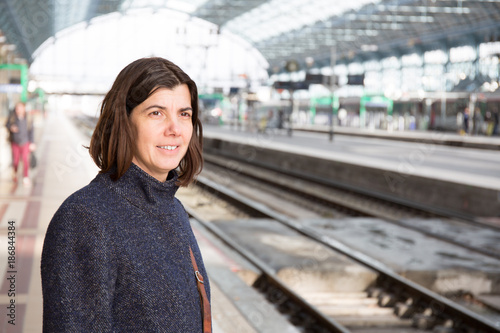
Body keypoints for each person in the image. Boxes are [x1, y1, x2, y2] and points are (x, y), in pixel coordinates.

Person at [41, 57, 211, 332]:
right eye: (156, 113)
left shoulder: (173, 210)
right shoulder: (84, 219)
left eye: (184, 114)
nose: (175, 129)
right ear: (124, 122)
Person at [5, 101, 35, 186]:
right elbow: (6, 125)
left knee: (25, 160)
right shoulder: (12, 117)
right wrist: (11, 127)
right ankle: (15, 174)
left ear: (24, 108)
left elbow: (31, 131)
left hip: (25, 142)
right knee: (16, 161)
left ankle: (26, 177)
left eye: (20, 108)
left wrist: (32, 143)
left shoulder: (28, 118)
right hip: (15, 142)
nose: (18, 110)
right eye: (17, 108)